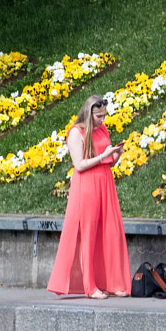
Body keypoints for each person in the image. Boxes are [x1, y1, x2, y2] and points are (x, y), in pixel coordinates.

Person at [47, 94, 131, 299]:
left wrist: (116, 155)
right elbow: (80, 165)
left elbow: (108, 161)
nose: (102, 120)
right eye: (99, 116)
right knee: (89, 234)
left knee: (110, 231)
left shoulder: (102, 129)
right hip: (87, 186)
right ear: (89, 113)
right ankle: (90, 286)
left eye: (104, 116)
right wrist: (103, 156)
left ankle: (114, 282)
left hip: (105, 182)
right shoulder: (77, 132)